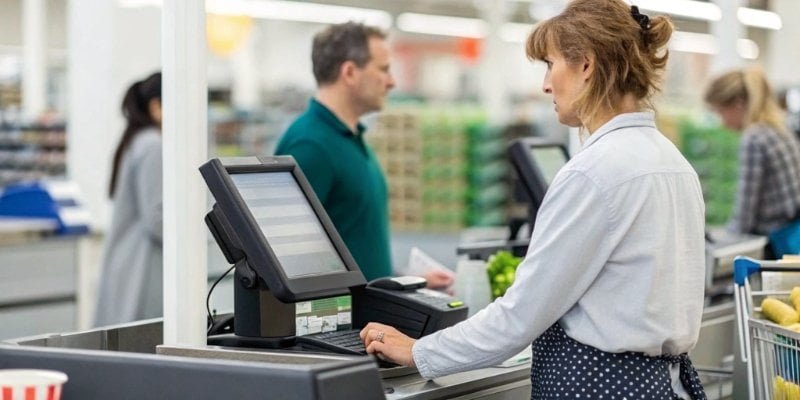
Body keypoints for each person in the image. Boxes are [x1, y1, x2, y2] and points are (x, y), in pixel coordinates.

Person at [360, 1, 708, 399]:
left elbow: (518, 319)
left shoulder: (592, 173)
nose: (545, 85)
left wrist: (419, 351)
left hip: (599, 388)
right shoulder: (674, 163)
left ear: (586, 65)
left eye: (549, 64)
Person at [274, 22, 453, 287]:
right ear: (349, 72)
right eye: (383, 69)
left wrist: (404, 281)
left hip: (367, 316)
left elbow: (355, 240)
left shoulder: (352, 136)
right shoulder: (310, 145)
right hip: (341, 321)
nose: (392, 82)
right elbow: (287, 262)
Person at [94, 72, 163, 326]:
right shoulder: (154, 145)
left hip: (130, 263)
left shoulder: (139, 140)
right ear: (156, 107)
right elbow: (157, 219)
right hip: (142, 269)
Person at [704, 68, 800, 250]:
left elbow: (745, 215)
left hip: (777, 241)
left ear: (738, 104)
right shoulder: (780, 129)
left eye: (720, 112)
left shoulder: (754, 138)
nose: (721, 122)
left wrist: (718, 246)